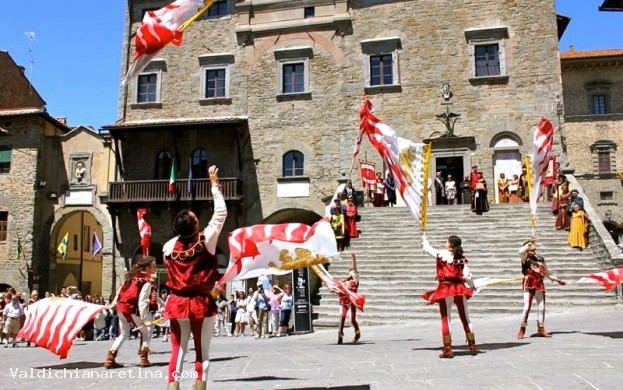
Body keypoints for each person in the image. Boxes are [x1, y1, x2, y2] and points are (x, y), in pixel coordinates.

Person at [162, 165, 227, 390]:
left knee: (177, 349)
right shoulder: (206, 239)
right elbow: (220, 213)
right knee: (202, 350)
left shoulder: (168, 247)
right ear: (196, 224)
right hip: (200, 302)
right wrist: (214, 183)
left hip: (177, 302)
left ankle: (173, 385)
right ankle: (199, 386)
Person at [421, 234, 477, 358]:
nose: (445, 243)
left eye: (447, 241)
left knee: (446, 318)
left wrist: (425, 240)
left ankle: (448, 349)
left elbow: (429, 249)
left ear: (450, 244)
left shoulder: (441, 254)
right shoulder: (461, 258)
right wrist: (472, 286)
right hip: (460, 288)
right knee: (465, 317)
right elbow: (468, 276)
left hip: (445, 288)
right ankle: (472, 345)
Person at [105, 256, 157, 368]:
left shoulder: (130, 277)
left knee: (124, 333)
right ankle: (144, 359)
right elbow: (142, 302)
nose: (155, 268)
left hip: (121, 308)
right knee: (146, 332)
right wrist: (144, 320)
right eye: (153, 266)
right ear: (147, 267)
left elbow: (120, 291)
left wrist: (114, 303)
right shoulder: (146, 281)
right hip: (133, 310)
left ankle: (110, 358)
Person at [517, 237, 565, 339]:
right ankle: (522, 328)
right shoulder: (525, 257)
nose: (532, 245)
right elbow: (520, 251)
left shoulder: (540, 258)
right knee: (526, 308)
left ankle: (541, 330)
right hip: (529, 283)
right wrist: (528, 243)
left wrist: (557, 279)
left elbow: (547, 272)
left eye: (532, 244)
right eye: (529, 245)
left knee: (541, 308)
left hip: (539, 283)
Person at [337, 252, 361, 344]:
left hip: (351, 301)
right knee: (342, 317)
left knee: (352, 319)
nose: (352, 273)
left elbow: (355, 269)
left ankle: (357, 332)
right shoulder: (344, 282)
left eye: (353, 272)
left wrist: (354, 259)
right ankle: (340, 334)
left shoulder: (355, 280)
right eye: (351, 272)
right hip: (343, 301)